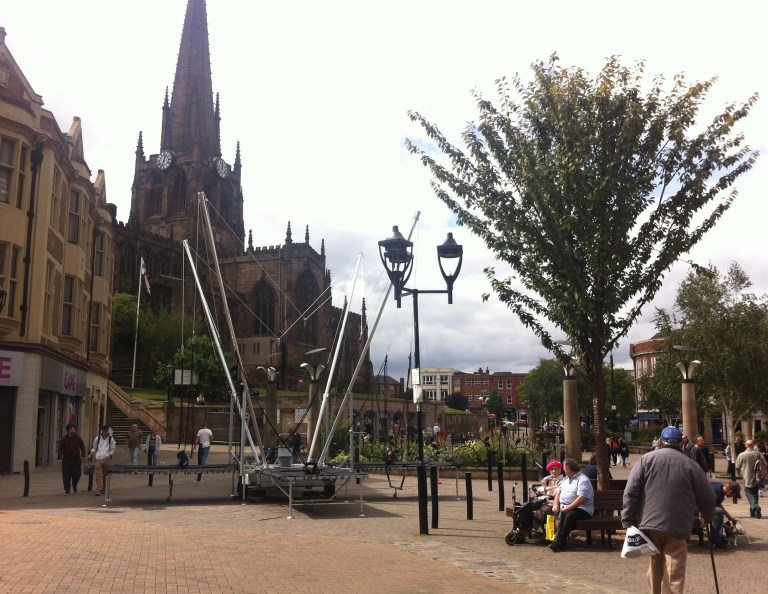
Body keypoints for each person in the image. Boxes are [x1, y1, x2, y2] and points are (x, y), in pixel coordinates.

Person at [622, 426, 715, 594]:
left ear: (660, 441)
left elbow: (631, 491)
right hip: (677, 524)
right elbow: (707, 497)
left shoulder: (646, 459)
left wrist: (628, 520)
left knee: (655, 563)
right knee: (674, 570)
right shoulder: (691, 465)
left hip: (649, 522)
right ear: (681, 442)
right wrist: (706, 517)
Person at [548, 458, 594, 552]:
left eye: (564, 468)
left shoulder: (583, 480)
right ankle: (551, 538)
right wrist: (556, 504)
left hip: (582, 508)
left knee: (569, 515)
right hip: (565, 507)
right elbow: (558, 492)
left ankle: (560, 541)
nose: (563, 470)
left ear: (568, 468)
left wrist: (567, 508)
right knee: (548, 512)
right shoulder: (565, 479)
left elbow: (581, 499)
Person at [735, 439, 764, 518]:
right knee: (755, 494)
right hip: (758, 477)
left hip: (747, 477)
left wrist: (737, 473)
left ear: (746, 445)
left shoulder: (742, 455)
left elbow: (737, 466)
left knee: (749, 493)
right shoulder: (758, 454)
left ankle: (755, 507)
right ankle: (753, 511)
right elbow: (764, 463)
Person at [710, 480, 740, 550]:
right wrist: (725, 526)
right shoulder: (717, 495)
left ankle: (718, 538)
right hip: (695, 508)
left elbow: (718, 505)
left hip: (700, 505)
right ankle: (716, 542)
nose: (732, 497)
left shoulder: (719, 485)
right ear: (730, 491)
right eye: (734, 495)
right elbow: (710, 513)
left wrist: (730, 518)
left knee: (718, 511)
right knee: (718, 512)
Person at [56, 423, 86, 494]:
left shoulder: (78, 438)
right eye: (71, 429)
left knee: (77, 474)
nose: (73, 430)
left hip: (76, 460)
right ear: (68, 430)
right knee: (66, 475)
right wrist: (59, 458)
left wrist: (83, 455)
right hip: (67, 460)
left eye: (74, 429)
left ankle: (74, 484)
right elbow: (60, 448)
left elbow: (82, 446)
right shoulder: (64, 439)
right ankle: (67, 489)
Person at [90, 424, 116, 496]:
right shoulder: (97, 438)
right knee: (98, 474)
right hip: (98, 457)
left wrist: (110, 455)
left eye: (106, 430)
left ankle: (105, 488)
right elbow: (94, 448)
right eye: (104, 430)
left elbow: (113, 448)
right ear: (102, 431)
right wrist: (91, 453)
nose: (105, 432)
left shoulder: (111, 439)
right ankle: (99, 489)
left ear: (108, 431)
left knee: (106, 474)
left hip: (107, 457)